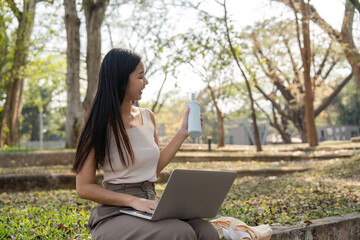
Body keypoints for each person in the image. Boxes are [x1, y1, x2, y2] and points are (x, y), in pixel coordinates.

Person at [72, 48, 220, 240]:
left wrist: (182, 133)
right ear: (121, 79)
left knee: (206, 231)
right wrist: (133, 201)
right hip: (115, 212)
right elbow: (83, 188)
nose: (146, 82)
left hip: (150, 202)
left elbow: (152, 169)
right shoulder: (99, 123)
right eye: (140, 76)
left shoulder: (147, 116)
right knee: (179, 232)